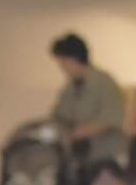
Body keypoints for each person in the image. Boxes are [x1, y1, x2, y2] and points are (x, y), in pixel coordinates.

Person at [48, 33, 126, 169]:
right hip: (81, 158)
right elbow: (58, 116)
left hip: (106, 159)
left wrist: (76, 133)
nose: (62, 68)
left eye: (63, 62)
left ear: (74, 59)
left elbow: (111, 119)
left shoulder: (104, 82)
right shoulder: (69, 88)